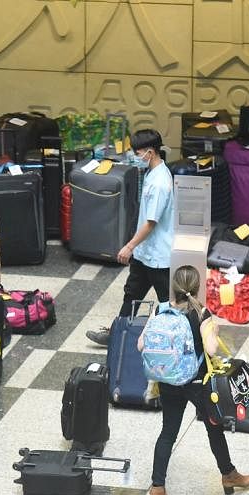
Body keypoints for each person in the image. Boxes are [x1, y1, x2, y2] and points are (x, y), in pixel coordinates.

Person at [138, 266, 249, 495]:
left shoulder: (160, 308)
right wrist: (214, 329)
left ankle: (157, 488)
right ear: (196, 287)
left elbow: (141, 344)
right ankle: (229, 474)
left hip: (168, 381)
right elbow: (212, 350)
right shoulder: (200, 312)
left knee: (167, 433)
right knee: (214, 427)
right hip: (196, 383)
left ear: (173, 287)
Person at [86, 129, 175, 347]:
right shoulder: (152, 173)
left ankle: (174, 337)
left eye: (138, 152)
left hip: (157, 256)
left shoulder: (160, 183)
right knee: (132, 293)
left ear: (151, 152)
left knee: (167, 302)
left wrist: (129, 246)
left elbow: (151, 222)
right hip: (145, 253)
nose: (136, 157)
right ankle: (118, 332)